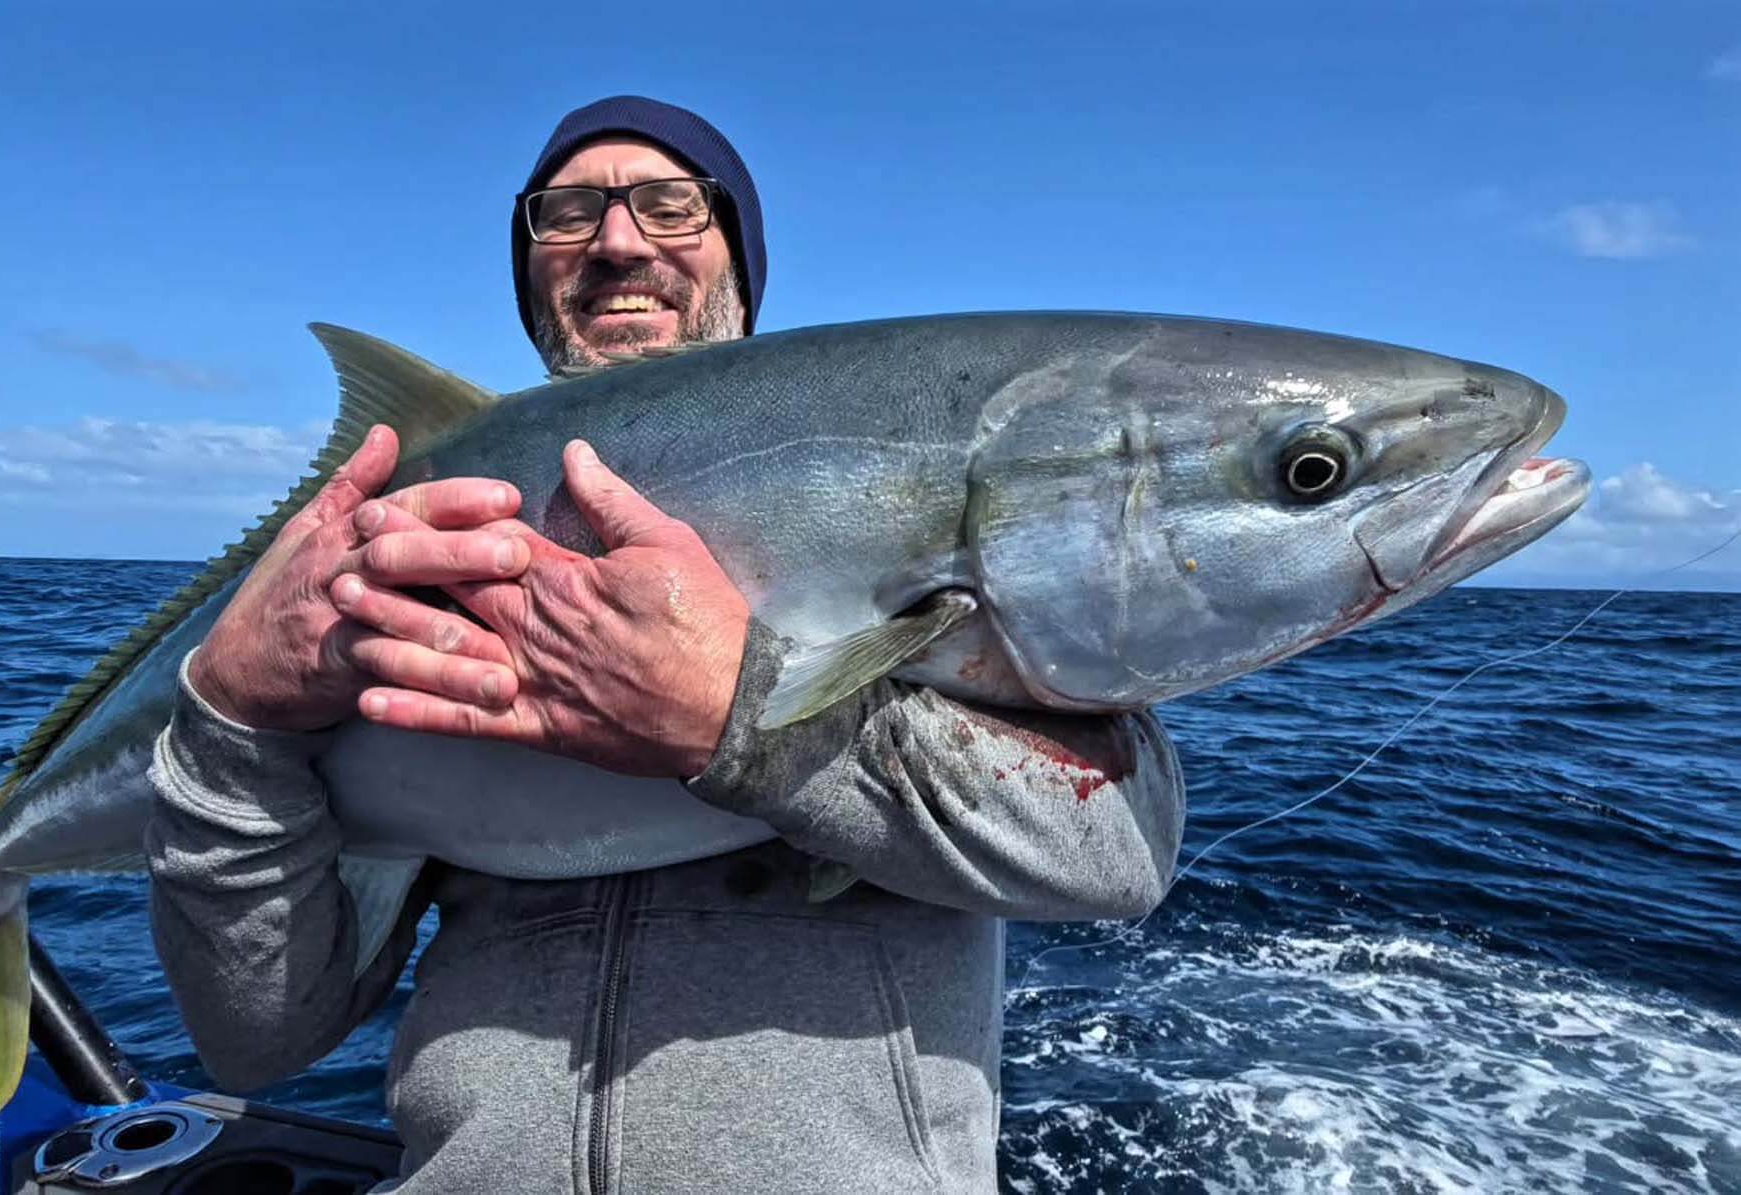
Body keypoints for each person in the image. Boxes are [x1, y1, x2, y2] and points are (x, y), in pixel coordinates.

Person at [146, 95, 1185, 1192]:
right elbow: (255, 1039)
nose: (617, 240)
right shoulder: (431, 529)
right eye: (566, 213)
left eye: (671, 203)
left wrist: (737, 718)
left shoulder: (928, 520)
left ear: (740, 257)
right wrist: (230, 711)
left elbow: (1118, 852)